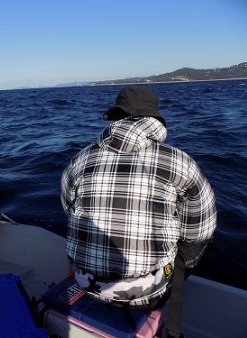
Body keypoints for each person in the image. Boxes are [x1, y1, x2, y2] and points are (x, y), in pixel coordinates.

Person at [61, 86, 217, 308]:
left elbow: (68, 208)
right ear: (154, 120)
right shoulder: (181, 162)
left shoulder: (80, 159)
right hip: (148, 294)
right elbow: (201, 229)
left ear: (115, 118)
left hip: (85, 283)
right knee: (198, 237)